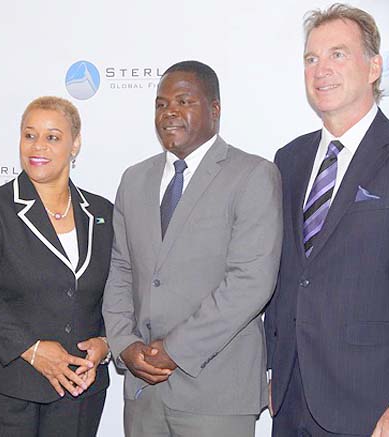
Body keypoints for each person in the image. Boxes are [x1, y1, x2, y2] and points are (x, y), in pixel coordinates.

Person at [265, 4, 389, 436]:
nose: (321, 69)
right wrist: (272, 371)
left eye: (338, 54)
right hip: (290, 399)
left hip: (373, 407)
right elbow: (288, 276)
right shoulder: (289, 159)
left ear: (375, 67)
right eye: (311, 58)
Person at [102, 60, 282, 437]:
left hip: (216, 393)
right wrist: (124, 344)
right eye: (161, 103)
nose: (169, 112)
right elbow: (120, 270)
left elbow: (250, 282)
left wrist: (176, 350)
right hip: (142, 391)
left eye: (184, 101)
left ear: (214, 110)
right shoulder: (134, 179)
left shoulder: (253, 175)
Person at [0, 96, 113, 436]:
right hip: (6, 391)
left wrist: (107, 341)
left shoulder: (103, 213)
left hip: (79, 391)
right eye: (29, 135)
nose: (38, 146)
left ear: (75, 143)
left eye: (52, 136)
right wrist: (33, 349)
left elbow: (120, 289)